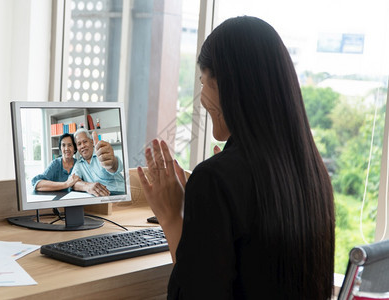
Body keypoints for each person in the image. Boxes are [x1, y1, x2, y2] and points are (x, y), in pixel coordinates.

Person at [137, 16, 335, 299]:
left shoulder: (217, 179)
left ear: (223, 84)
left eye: (202, 80)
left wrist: (171, 216)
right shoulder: (311, 173)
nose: (201, 96)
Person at [71, 128, 125, 196]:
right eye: (79, 144)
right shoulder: (78, 164)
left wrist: (112, 163)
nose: (82, 146)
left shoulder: (102, 154)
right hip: (99, 198)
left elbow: (114, 167)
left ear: (92, 142)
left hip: (118, 193)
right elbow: (73, 182)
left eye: (85, 141)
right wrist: (87, 186)